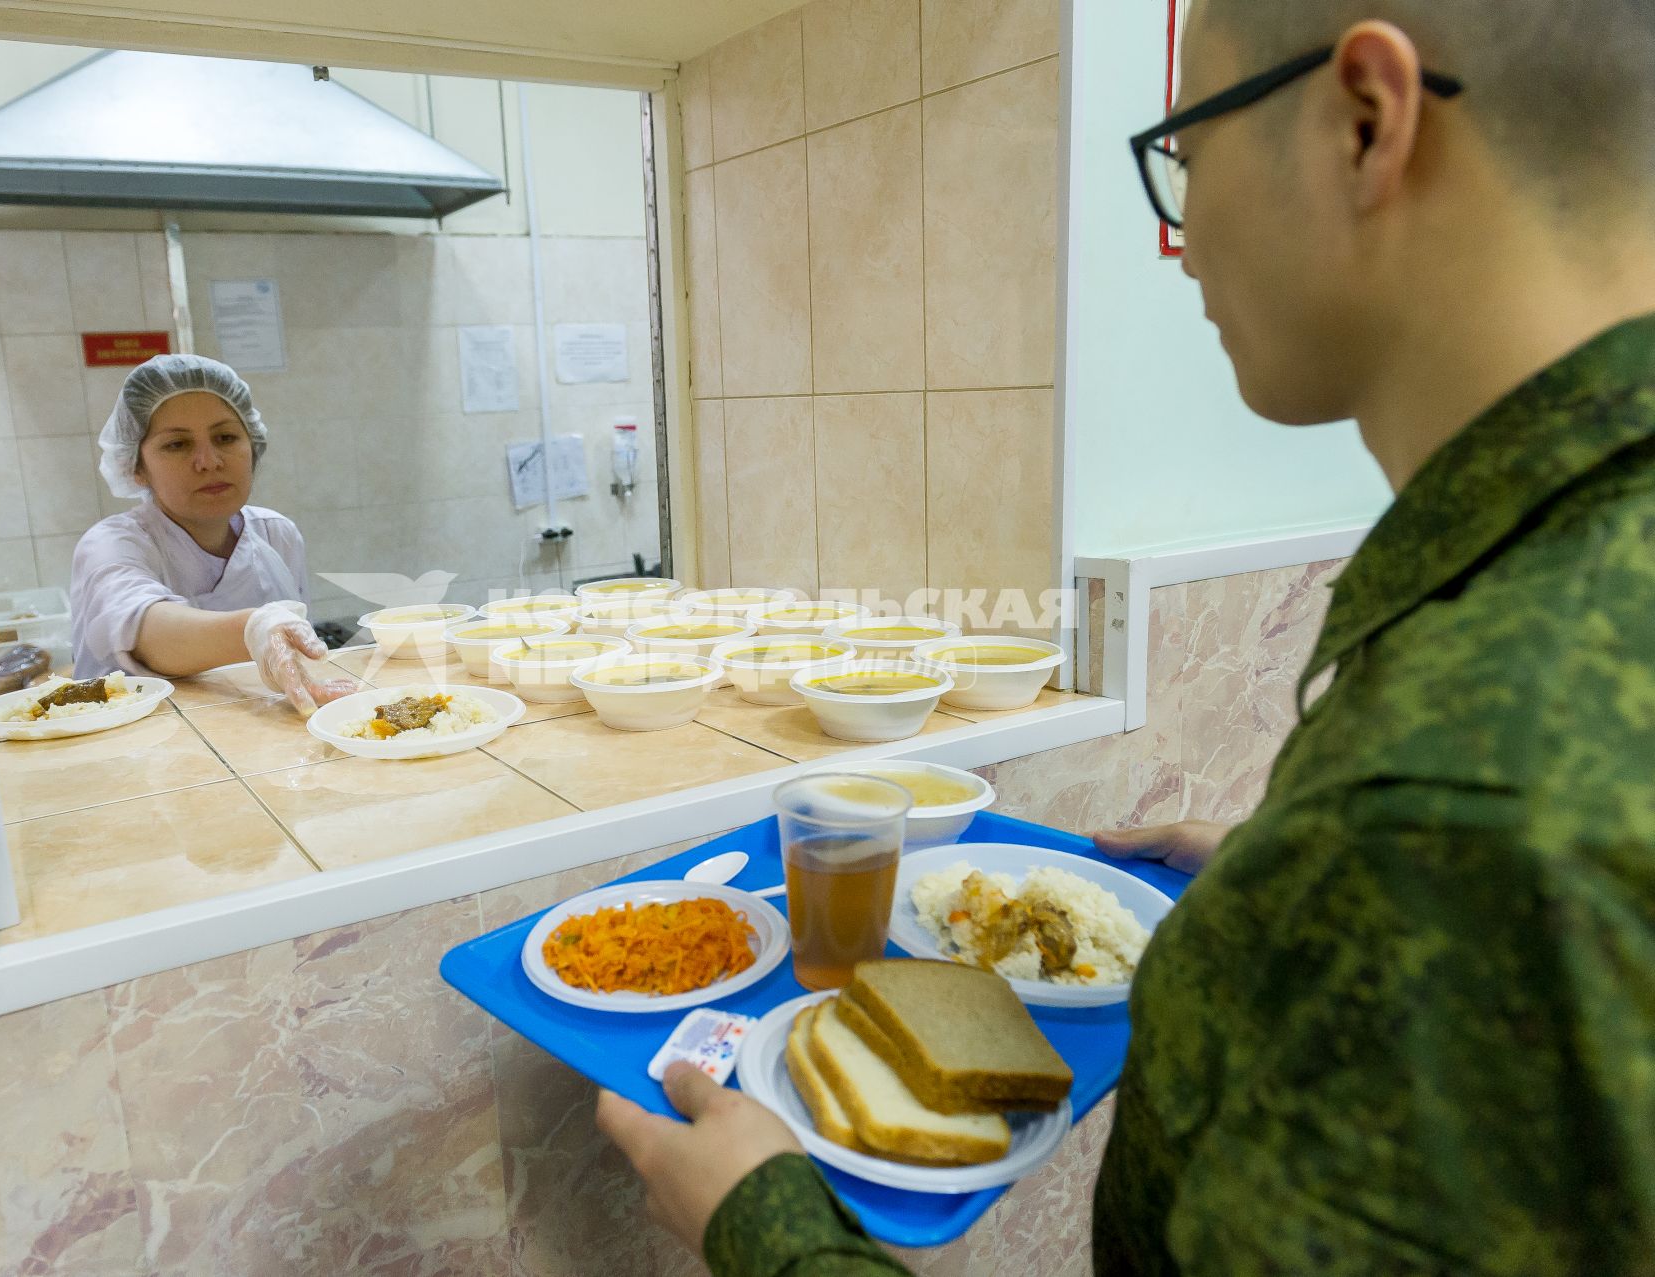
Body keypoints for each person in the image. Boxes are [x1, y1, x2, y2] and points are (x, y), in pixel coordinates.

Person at [598, 1, 1655, 1272]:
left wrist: (766, 1226)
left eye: (1188, 158)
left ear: (1367, 118)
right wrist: (1293, 883)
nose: (1186, 237)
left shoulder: (1451, 811)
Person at [69, 354, 356, 714]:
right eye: (177, 444)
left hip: (264, 743)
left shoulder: (276, 535)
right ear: (136, 467)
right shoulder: (112, 545)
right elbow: (141, 631)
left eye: (225, 437)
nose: (209, 460)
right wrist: (253, 629)